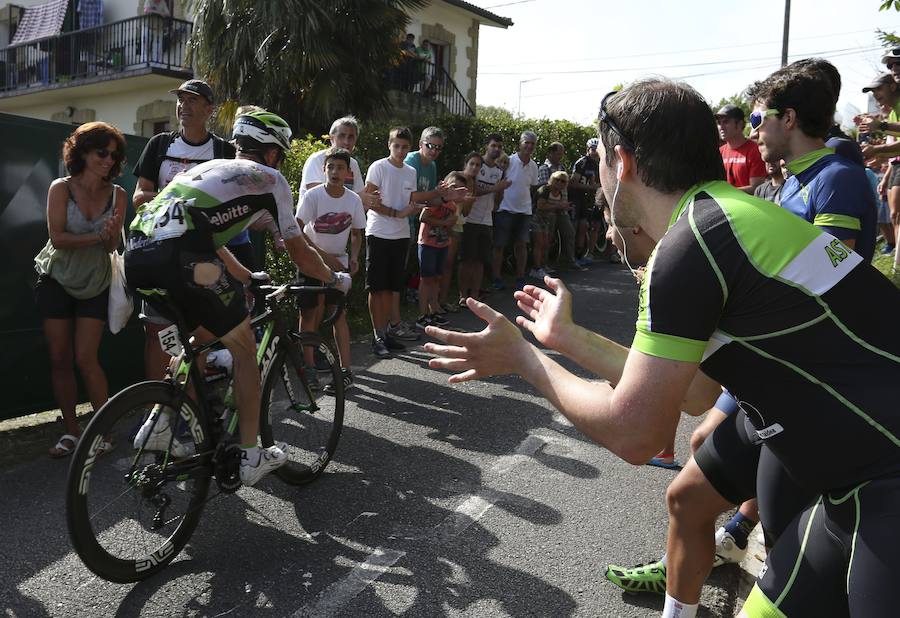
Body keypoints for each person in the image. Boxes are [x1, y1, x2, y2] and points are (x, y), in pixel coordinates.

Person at [424, 78, 900, 618]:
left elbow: (636, 434)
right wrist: (566, 340)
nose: (600, 185)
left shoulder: (693, 243)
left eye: (601, 161)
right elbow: (696, 392)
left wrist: (525, 361)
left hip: (880, 479)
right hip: (854, 476)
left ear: (621, 162)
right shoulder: (711, 221)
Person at [125, 109, 352, 487]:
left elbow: (201, 236)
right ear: (273, 152)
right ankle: (250, 456)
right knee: (246, 350)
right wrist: (334, 278)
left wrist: (244, 276)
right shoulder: (270, 178)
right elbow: (297, 250)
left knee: (197, 341)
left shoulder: (207, 169)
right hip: (184, 261)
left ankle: (159, 424)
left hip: (138, 254)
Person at [132, 79, 238, 383]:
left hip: (203, 256)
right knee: (157, 334)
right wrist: (180, 202)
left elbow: (230, 203)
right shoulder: (160, 144)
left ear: (209, 110)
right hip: (158, 253)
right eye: (181, 100)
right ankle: (158, 412)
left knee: (200, 335)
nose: (184, 106)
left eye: (192, 101)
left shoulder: (223, 150)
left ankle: (193, 409)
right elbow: (140, 197)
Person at [34, 122, 128, 458]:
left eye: (113, 155)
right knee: (60, 359)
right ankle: (71, 433)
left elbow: (110, 248)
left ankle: (101, 432)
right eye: (102, 152)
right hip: (57, 279)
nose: (108, 160)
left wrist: (111, 235)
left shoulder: (118, 194)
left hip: (96, 282)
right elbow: (57, 239)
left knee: (86, 358)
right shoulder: (60, 188)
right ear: (83, 151)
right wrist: (98, 236)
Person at [363, 127, 464, 358]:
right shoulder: (378, 167)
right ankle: (377, 336)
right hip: (378, 233)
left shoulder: (410, 172)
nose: (400, 150)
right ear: (389, 145)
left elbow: (412, 199)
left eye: (404, 146)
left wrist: (443, 196)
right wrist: (395, 213)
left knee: (391, 287)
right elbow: (370, 199)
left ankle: (386, 332)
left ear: (410, 147)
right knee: (376, 288)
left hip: (400, 236)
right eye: (396, 145)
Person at [296, 147, 365, 393]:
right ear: (324, 169)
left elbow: (357, 234)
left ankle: (346, 372)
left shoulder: (353, 199)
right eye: (331, 167)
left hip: (339, 264)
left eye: (340, 168)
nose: (335, 172)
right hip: (311, 262)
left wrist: (354, 258)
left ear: (348, 173)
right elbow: (298, 230)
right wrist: (324, 258)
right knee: (310, 314)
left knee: (338, 315)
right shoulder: (313, 196)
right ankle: (310, 369)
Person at [459, 135, 510, 304]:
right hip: (470, 219)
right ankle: (462, 295)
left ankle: (474, 295)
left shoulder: (500, 171)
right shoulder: (477, 166)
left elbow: (499, 194)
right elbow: (474, 190)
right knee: (467, 259)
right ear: (486, 146)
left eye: (499, 146)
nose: (496, 149)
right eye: (493, 145)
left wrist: (497, 199)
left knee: (480, 260)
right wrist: (495, 188)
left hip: (487, 220)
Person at [492, 131, 539, 290]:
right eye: (526, 142)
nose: (529, 146)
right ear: (520, 143)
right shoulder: (508, 161)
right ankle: (496, 277)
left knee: (522, 245)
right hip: (505, 209)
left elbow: (532, 186)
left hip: (524, 211)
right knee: (500, 245)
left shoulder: (534, 166)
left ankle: (520, 277)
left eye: (532, 143)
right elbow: (498, 182)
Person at [416, 172, 462, 328]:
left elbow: (451, 223)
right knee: (426, 278)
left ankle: (434, 309)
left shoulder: (454, 206)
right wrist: (443, 224)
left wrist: (449, 226)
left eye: (459, 188)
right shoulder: (436, 201)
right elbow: (423, 217)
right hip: (427, 243)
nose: (455, 190)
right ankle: (423, 314)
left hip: (442, 244)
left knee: (436, 277)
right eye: (453, 186)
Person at [530, 170, 577, 279]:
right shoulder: (545, 190)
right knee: (539, 243)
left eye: (563, 181)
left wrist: (564, 208)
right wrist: (559, 206)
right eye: (557, 180)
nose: (560, 183)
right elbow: (540, 206)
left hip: (547, 219)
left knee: (546, 243)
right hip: (536, 218)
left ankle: (543, 265)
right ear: (552, 179)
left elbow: (555, 208)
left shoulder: (559, 193)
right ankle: (536, 268)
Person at [716, 104, 766, 193]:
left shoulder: (755, 150)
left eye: (726, 122)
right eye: (719, 123)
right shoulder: (719, 152)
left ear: (740, 124)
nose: (721, 127)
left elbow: (757, 189)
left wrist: (725, 193)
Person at [570, 138, 603, 265]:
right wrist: (591, 187)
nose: (595, 152)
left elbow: (593, 182)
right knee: (575, 228)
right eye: (593, 149)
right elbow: (573, 183)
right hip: (576, 198)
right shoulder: (582, 163)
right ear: (587, 150)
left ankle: (580, 255)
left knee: (584, 227)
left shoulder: (595, 164)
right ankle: (572, 256)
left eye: (596, 150)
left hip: (587, 200)